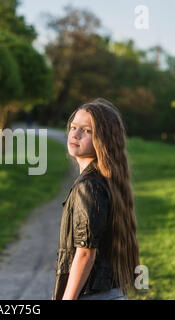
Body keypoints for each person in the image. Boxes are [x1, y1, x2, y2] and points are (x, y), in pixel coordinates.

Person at [52, 98, 140, 300]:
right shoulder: (106, 180)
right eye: (73, 127)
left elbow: (85, 253)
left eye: (86, 130)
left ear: (104, 139)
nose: (75, 134)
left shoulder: (89, 187)